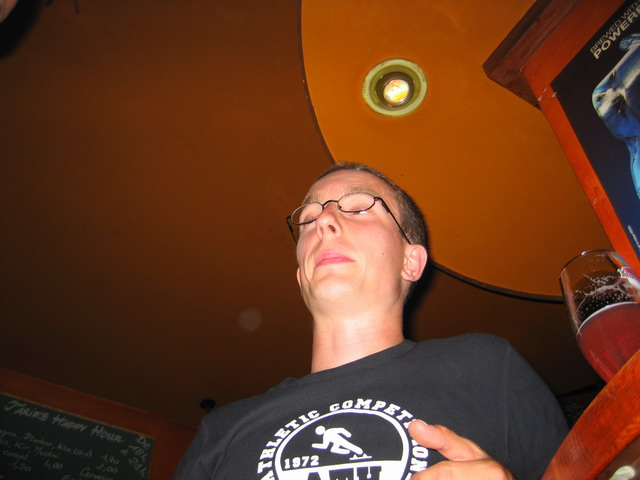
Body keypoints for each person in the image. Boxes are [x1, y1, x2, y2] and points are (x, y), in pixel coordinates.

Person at [174, 162, 568, 479]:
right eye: (308, 218)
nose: (324, 222)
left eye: (361, 206)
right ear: (301, 277)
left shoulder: (484, 366)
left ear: (410, 261)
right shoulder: (222, 430)